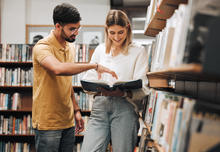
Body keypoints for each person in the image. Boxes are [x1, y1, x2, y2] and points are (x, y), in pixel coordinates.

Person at [32, 3, 117, 152]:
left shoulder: (70, 47)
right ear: (58, 26)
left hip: (68, 120)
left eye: (78, 28)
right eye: (72, 29)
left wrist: (76, 110)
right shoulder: (42, 47)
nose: (76, 33)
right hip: (48, 123)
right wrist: (93, 65)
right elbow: (58, 69)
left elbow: (66, 82)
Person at [81, 10, 149, 152]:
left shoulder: (139, 51)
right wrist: (96, 87)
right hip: (100, 106)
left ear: (127, 28)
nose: (116, 37)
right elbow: (88, 80)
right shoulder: (100, 50)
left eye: (120, 32)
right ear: (107, 31)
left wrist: (124, 94)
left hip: (125, 107)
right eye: (112, 33)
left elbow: (144, 88)